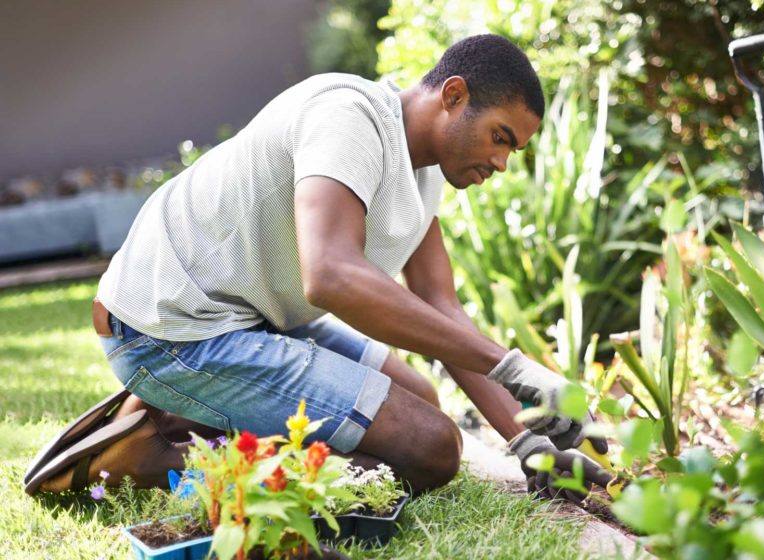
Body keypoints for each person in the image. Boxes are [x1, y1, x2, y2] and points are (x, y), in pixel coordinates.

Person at [23, 34, 610, 501]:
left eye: (513, 148)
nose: (502, 162)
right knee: (431, 447)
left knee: (419, 397)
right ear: (453, 95)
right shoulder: (348, 116)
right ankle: (157, 456)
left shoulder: (424, 171)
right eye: (499, 137)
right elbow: (329, 275)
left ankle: (180, 414)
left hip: (252, 317)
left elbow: (440, 305)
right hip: (172, 329)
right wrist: (513, 367)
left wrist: (528, 440)